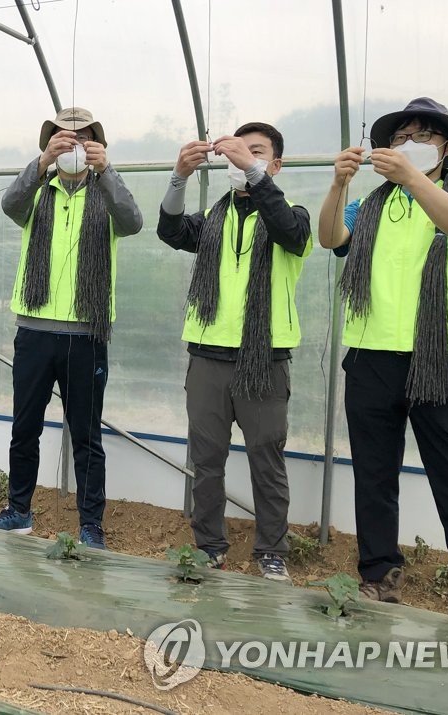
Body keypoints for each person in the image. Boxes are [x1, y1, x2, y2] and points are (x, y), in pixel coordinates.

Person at [317, 97, 448, 613]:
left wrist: (412, 177)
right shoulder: (371, 203)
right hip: (373, 354)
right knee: (374, 473)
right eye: (401, 137)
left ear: (445, 147)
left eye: (423, 137)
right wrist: (338, 185)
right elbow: (330, 237)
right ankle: (379, 572)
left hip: (441, 358)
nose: (410, 146)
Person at [157, 123, 311, 582]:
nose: (241, 159)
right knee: (206, 459)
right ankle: (208, 544)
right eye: (236, 152)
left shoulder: (292, 216)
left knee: (267, 457)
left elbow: (290, 231)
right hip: (207, 356)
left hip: (264, 360)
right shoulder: (212, 218)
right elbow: (169, 230)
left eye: (255, 152)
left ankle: (271, 550)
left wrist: (255, 174)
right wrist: (179, 177)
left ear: (275, 164)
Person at [0, 107, 143, 550]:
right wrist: (39, 166)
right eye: (62, 139)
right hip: (35, 332)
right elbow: (8, 204)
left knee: (87, 435)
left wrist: (106, 169)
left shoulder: (106, 195)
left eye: (82, 140)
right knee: (25, 426)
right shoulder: (38, 191)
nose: (71, 147)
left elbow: (132, 221)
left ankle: (91, 524)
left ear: (96, 146)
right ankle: (19, 511)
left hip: (86, 335)